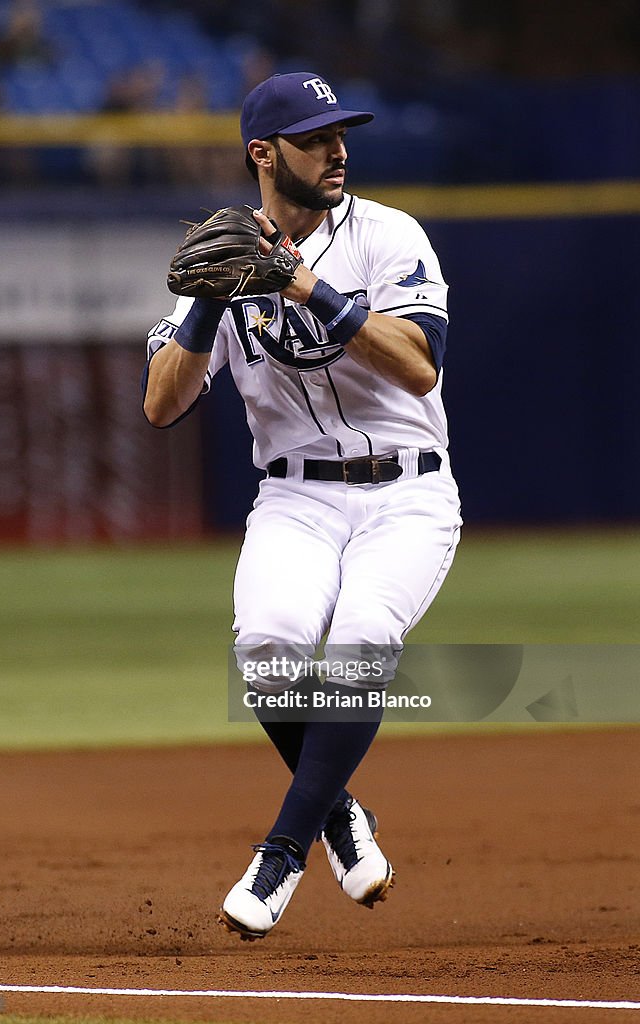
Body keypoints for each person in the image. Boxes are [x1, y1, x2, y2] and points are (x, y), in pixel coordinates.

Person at [143, 71, 462, 940]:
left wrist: (304, 285)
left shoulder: (389, 235)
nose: (338, 150)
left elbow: (419, 363)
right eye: (317, 137)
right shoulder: (219, 250)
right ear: (263, 153)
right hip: (295, 497)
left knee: (361, 642)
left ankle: (281, 850)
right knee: (268, 648)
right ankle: (337, 811)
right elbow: (162, 403)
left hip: (408, 492)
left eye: (340, 134)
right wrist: (209, 302)